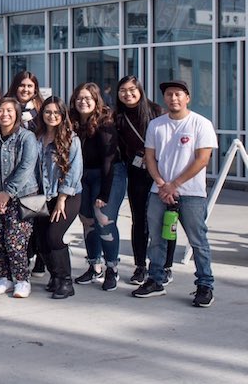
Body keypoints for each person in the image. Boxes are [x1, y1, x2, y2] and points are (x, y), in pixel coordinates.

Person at [133, 80, 217, 307]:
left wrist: (174, 184)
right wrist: (162, 184)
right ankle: (155, 280)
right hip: (159, 192)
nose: (173, 98)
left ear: (187, 97)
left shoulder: (201, 123)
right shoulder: (156, 125)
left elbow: (202, 159)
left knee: (197, 240)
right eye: (169, 94)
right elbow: (150, 157)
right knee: (157, 239)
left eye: (178, 94)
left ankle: (205, 284)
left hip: (192, 193)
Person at [114, 75, 171, 286]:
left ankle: (166, 266)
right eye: (123, 90)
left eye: (131, 89)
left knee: (165, 219)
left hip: (161, 172)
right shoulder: (118, 116)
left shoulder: (156, 111)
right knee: (139, 219)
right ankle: (140, 266)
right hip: (136, 173)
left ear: (140, 90)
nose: (127, 94)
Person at [70, 82, 127, 291]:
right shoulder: (73, 122)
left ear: (96, 101)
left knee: (104, 220)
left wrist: (104, 192)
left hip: (109, 174)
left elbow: (109, 161)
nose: (83, 102)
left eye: (88, 98)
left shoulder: (105, 123)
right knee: (87, 220)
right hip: (83, 176)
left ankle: (112, 268)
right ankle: (95, 266)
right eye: (79, 98)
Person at [0, 97, 39, 298]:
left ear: (16, 114)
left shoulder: (27, 137)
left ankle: (22, 280)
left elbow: (26, 167)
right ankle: (4, 278)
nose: (4, 114)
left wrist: (7, 193)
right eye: (0, 110)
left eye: (9, 111)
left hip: (23, 197)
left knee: (14, 240)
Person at [33, 97, 83, 299]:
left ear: (63, 115)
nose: (52, 116)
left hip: (66, 196)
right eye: (47, 112)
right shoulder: (34, 137)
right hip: (39, 196)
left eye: (56, 113)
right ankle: (54, 276)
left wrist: (61, 199)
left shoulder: (72, 139)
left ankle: (65, 281)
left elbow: (74, 171)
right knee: (41, 239)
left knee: (54, 236)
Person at [6, 70, 46, 276]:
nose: (26, 89)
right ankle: (22, 257)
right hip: (11, 171)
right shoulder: (6, 108)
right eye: (22, 85)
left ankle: (39, 257)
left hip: (37, 172)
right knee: (17, 220)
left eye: (30, 86)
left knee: (35, 215)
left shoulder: (42, 109)